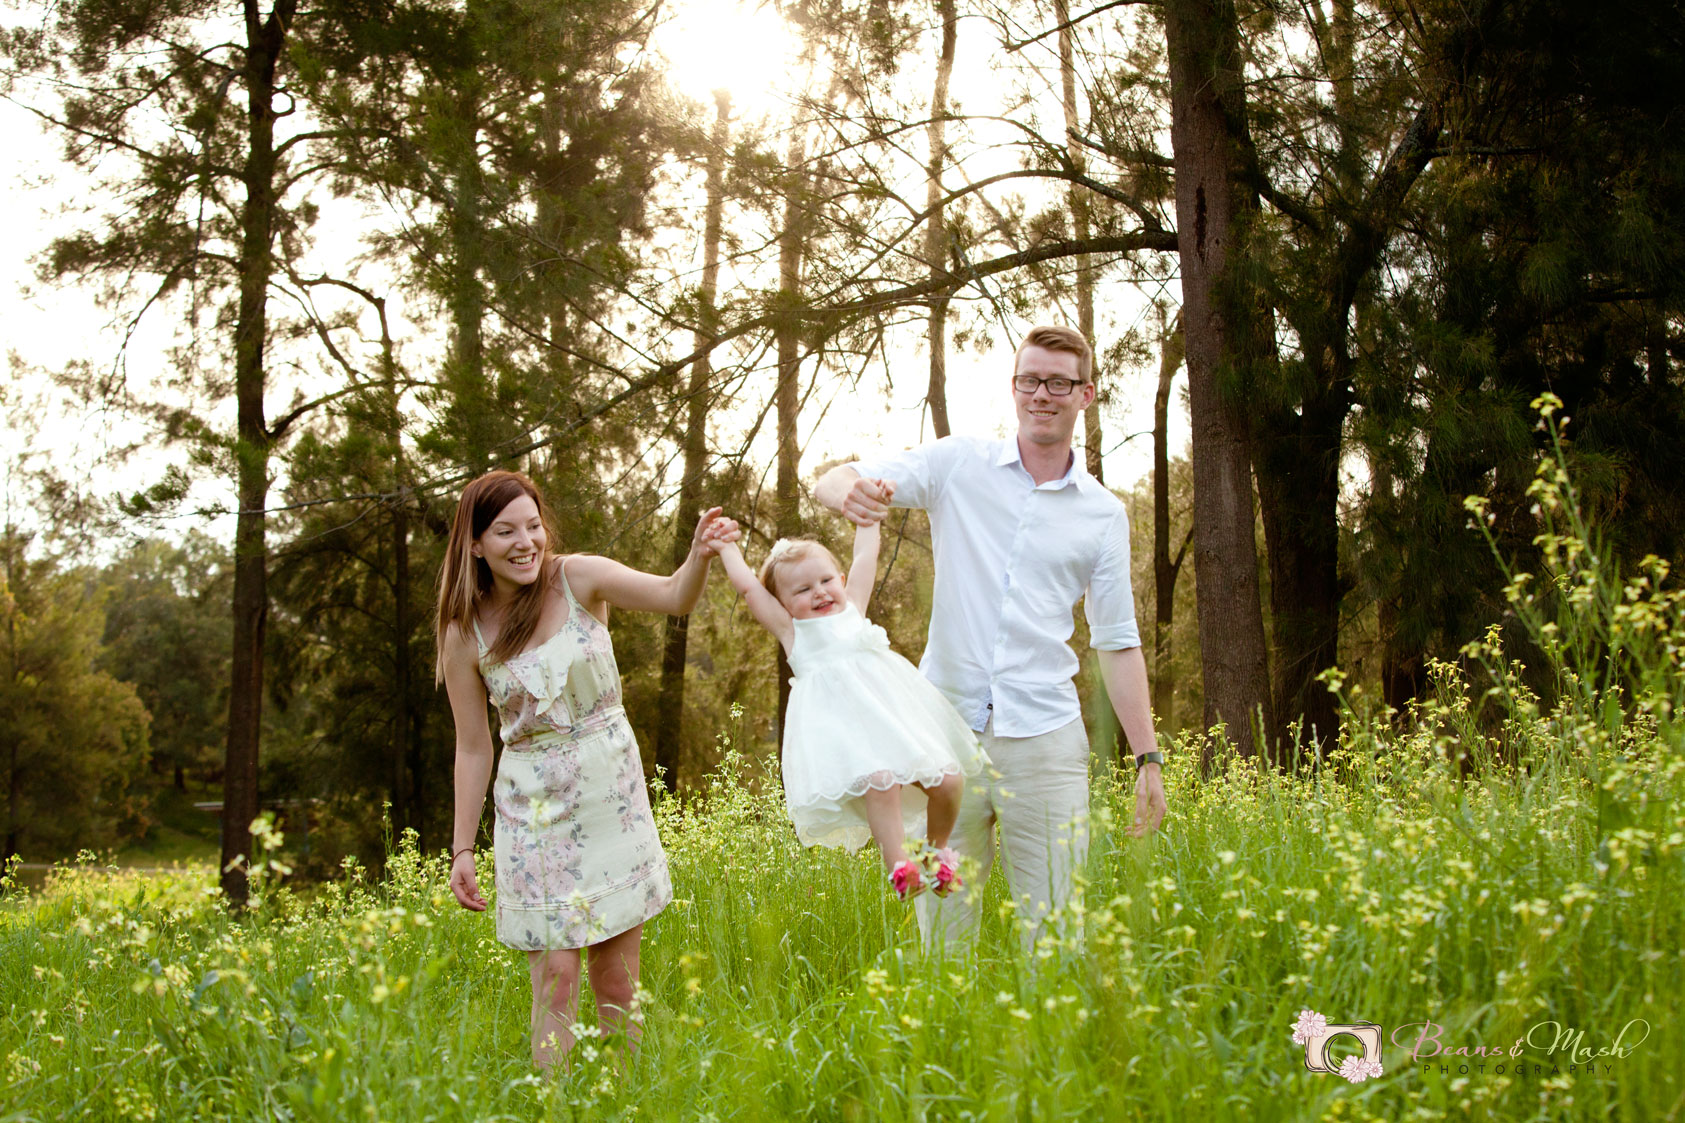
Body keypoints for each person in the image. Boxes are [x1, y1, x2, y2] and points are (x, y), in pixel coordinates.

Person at [813, 324, 1168, 952]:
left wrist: (1147, 757)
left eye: (1058, 383)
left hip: (1046, 745)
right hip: (941, 743)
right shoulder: (959, 465)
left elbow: (1116, 641)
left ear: (1085, 395)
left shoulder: (1103, 515)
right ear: (1014, 387)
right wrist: (853, 496)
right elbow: (833, 478)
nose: (1041, 394)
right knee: (941, 935)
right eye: (1030, 380)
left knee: (1054, 939)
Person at [435, 469, 736, 1069]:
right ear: (475, 544)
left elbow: (674, 595)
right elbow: (472, 747)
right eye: (505, 532)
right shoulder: (463, 632)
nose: (525, 542)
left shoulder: (579, 578)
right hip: (532, 807)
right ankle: (554, 1104)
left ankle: (622, 1097)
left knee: (616, 978)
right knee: (556, 976)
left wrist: (699, 555)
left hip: (608, 793)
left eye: (533, 526)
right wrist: (462, 847)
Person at [710, 513, 987, 899]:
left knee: (950, 781)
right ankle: (901, 870)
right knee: (880, 782)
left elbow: (864, 557)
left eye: (826, 581)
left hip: (893, 719)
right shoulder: (793, 631)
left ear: (840, 580)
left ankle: (934, 854)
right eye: (803, 589)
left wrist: (868, 518)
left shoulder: (854, 607)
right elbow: (749, 589)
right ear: (782, 605)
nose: (819, 593)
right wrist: (726, 547)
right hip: (846, 734)